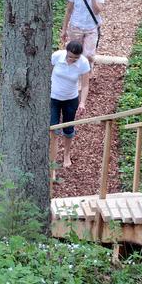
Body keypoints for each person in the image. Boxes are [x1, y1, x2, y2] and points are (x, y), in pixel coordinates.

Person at [50, 40, 91, 181]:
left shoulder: (83, 63)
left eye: (75, 58)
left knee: (68, 129)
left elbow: (85, 85)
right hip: (53, 98)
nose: (72, 60)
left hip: (71, 99)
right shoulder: (57, 56)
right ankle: (53, 166)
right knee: (53, 131)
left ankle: (66, 154)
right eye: (70, 57)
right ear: (66, 52)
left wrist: (83, 103)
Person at [60, 0, 104, 64]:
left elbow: (97, 11)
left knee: (89, 56)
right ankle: (75, 77)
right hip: (76, 26)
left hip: (91, 27)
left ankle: (86, 77)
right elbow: (68, 11)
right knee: (75, 54)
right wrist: (64, 30)